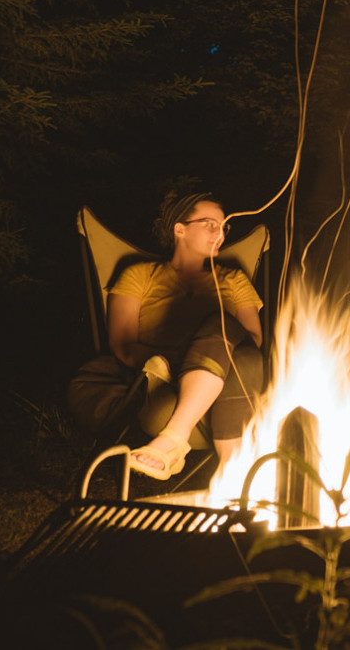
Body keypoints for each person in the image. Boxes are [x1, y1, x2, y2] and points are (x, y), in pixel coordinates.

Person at [69, 191, 265, 480]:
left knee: (229, 333)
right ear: (179, 229)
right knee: (243, 356)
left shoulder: (234, 279)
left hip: (230, 384)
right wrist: (179, 362)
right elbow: (123, 345)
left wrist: (205, 355)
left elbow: (253, 339)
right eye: (210, 224)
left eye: (224, 226)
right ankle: (235, 473)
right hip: (163, 388)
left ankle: (175, 439)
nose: (220, 233)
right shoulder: (139, 275)